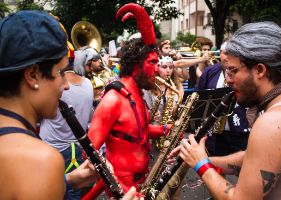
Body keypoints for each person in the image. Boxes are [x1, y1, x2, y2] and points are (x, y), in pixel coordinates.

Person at [0, 10, 144, 200]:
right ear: (33, 75)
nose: (66, 85)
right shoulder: (40, 160)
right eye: (61, 73)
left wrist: (68, 181)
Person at [171, 21, 281, 200]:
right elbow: (254, 158)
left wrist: (201, 164)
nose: (228, 80)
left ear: (260, 70)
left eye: (232, 71)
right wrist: (199, 158)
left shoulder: (274, 122)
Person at [84, 4, 171, 199]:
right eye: (152, 63)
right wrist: (123, 190)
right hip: (123, 189)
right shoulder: (113, 100)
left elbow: (139, 132)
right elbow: (89, 154)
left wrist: (167, 130)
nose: (158, 69)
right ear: (134, 65)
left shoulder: (137, 94)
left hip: (143, 182)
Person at [39, 42, 94, 199]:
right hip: (79, 148)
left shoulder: (52, 86)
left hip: (53, 150)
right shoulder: (89, 84)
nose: (66, 86)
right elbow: (89, 118)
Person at [197, 41, 250, 156]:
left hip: (240, 132)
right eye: (225, 53)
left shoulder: (245, 71)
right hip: (214, 135)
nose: (227, 57)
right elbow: (199, 96)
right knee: (215, 168)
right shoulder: (210, 71)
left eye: (231, 53)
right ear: (220, 53)